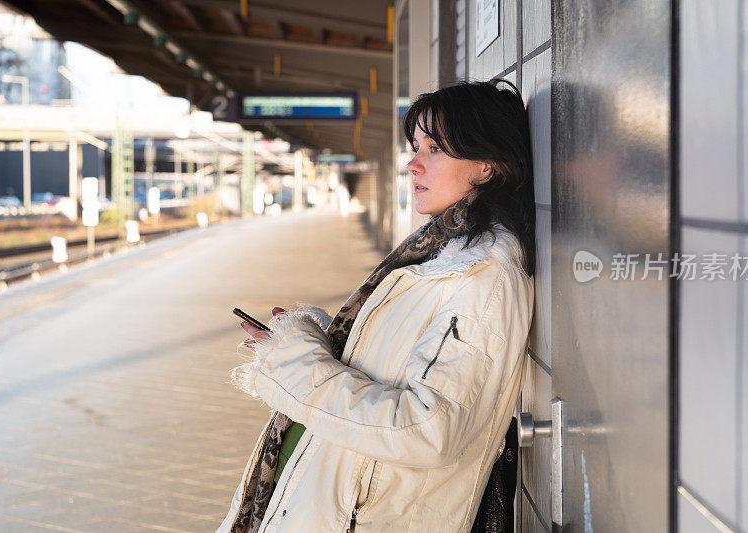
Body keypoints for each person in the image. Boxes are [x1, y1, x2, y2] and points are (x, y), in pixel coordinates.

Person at [219, 79, 536, 533]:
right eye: (415, 147)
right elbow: (399, 362)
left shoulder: (484, 276)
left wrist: (292, 362)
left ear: (486, 166)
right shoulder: (441, 252)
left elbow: (427, 430)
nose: (413, 164)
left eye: (434, 150)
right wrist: (309, 337)